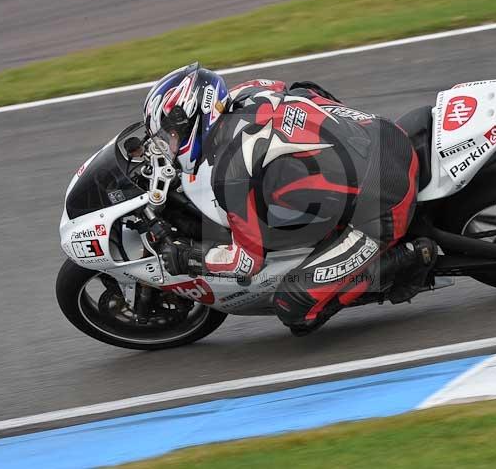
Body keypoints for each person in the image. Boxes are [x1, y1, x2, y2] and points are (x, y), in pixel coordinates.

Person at [147, 62, 436, 335]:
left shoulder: (232, 173)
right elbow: (306, 90)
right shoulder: (247, 92)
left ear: (196, 120)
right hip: (381, 132)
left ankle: (408, 257)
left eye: (170, 137)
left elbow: (245, 263)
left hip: (383, 199)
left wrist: (187, 258)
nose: (169, 146)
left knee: (292, 306)